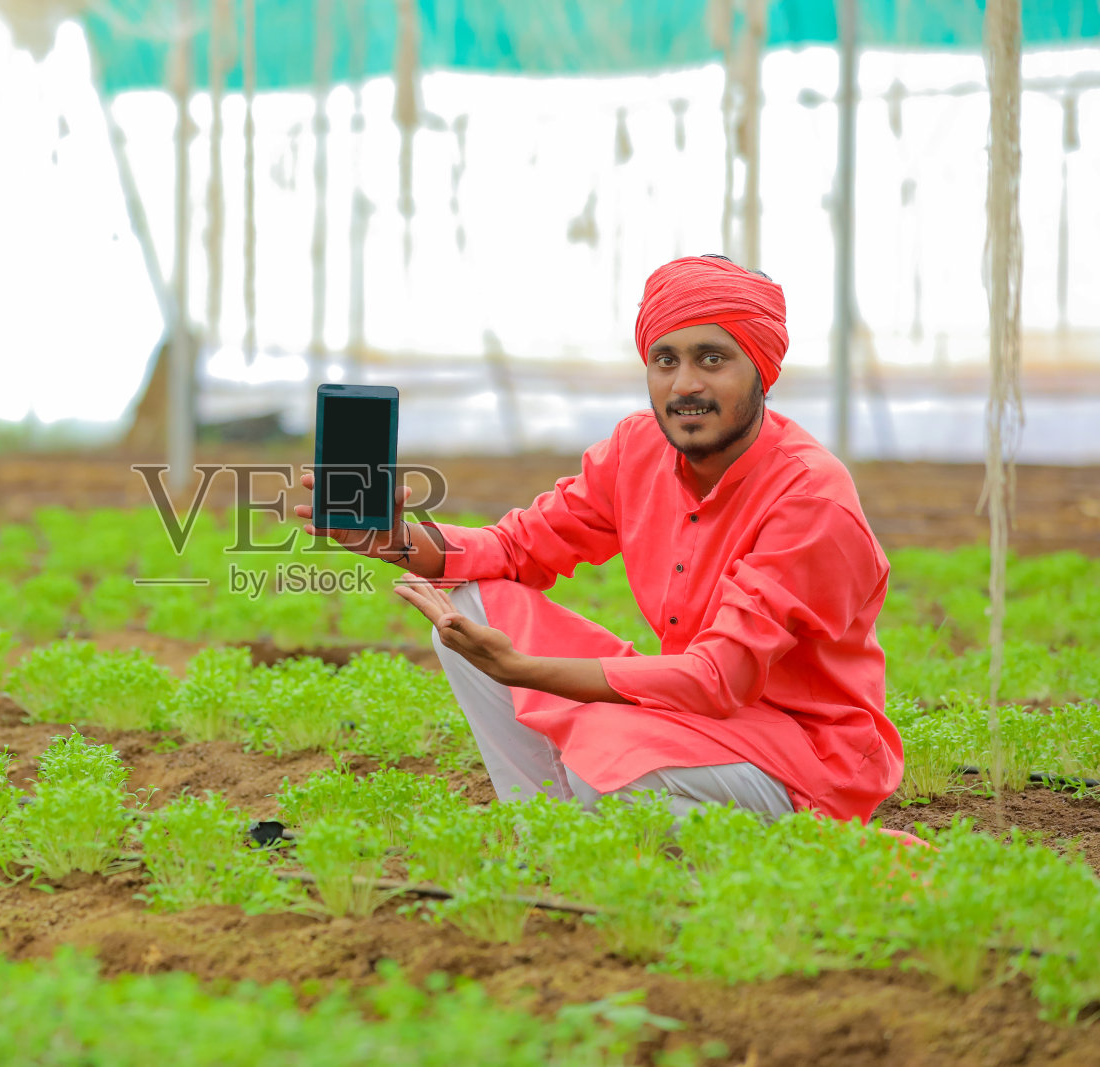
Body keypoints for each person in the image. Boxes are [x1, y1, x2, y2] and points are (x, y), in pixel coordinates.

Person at [295, 254, 902, 823]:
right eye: (666, 361)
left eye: (712, 359)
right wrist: (390, 537)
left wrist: (524, 669)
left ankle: (617, 824)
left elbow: (718, 679)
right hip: (691, 712)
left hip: (801, 753)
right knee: (469, 603)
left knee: (611, 763)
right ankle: (549, 826)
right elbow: (517, 549)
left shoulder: (810, 498)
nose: (684, 384)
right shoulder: (637, 448)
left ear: (762, 370)